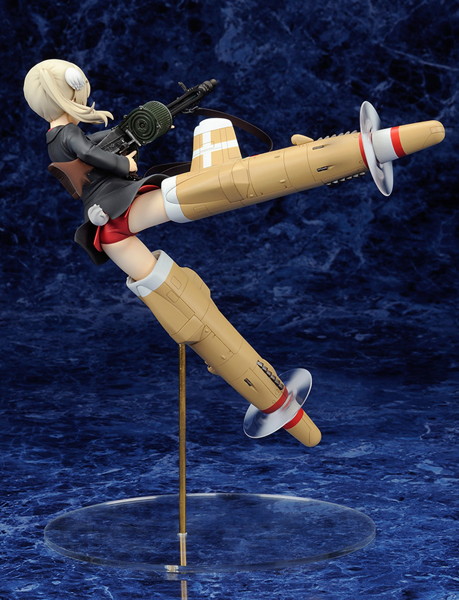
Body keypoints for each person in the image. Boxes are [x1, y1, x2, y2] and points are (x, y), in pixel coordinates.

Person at [23, 59, 322, 448]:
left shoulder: (58, 135)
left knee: (172, 291)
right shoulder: (68, 135)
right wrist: (125, 163)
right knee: (185, 208)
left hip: (110, 224)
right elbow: (92, 156)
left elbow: (92, 147)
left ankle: (267, 392)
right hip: (113, 209)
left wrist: (127, 136)